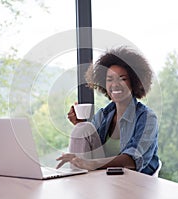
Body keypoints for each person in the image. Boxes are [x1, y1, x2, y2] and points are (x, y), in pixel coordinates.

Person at [56, 46, 159, 175]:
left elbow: (133, 160)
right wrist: (79, 124)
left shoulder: (147, 117)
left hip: (134, 181)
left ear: (134, 81)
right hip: (105, 180)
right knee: (83, 128)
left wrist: (92, 164)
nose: (115, 84)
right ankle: (76, 181)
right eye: (110, 79)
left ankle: (79, 185)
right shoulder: (104, 114)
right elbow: (88, 146)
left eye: (122, 78)